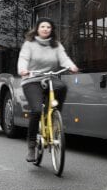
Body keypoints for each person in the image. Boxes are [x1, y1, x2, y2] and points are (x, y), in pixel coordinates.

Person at [18, 17, 79, 162]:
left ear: (51, 30)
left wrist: (71, 66)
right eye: (43, 27)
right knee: (37, 110)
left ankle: (53, 115)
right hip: (31, 79)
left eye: (48, 27)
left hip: (49, 77)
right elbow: (23, 59)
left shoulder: (56, 45)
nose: (46, 29)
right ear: (37, 29)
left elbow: (64, 59)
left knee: (62, 87)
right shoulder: (29, 44)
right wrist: (22, 69)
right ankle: (32, 146)